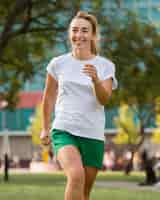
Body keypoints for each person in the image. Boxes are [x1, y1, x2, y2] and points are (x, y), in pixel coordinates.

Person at [40, 11, 117, 200]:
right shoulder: (58, 64)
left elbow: (104, 99)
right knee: (76, 176)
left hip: (93, 133)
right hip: (64, 129)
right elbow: (48, 97)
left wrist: (96, 81)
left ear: (92, 35)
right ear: (69, 34)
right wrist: (44, 128)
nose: (79, 35)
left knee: (83, 193)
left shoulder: (105, 66)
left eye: (84, 30)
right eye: (75, 30)